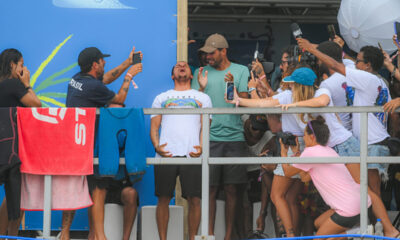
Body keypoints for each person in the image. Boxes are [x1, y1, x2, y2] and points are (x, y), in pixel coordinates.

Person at [297, 38, 392, 197]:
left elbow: (335, 64)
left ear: (368, 65)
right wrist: (321, 46)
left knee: (371, 192)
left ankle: (377, 222)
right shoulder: (380, 82)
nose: (355, 64)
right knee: (368, 191)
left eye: (359, 61)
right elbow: (340, 60)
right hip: (376, 140)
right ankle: (372, 222)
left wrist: (311, 49)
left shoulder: (366, 78)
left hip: (372, 143)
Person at [66, 46, 142, 240]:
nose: (105, 63)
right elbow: (119, 98)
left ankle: (73, 235)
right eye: (102, 61)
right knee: (98, 189)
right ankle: (100, 237)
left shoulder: (77, 80)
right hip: (90, 145)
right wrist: (129, 76)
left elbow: (104, 80)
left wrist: (126, 63)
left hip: (75, 143)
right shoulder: (92, 86)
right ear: (94, 64)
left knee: (79, 189)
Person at [191, 33, 249, 240]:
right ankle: (209, 235)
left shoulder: (241, 70)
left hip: (234, 136)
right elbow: (195, 104)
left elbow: (245, 100)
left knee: (232, 189)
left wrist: (232, 84)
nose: (208, 57)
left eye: (211, 52)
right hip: (209, 138)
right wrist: (201, 87)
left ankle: (229, 236)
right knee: (210, 189)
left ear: (223, 51)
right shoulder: (201, 72)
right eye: (205, 54)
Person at [150, 61, 212, 240]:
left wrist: (201, 147)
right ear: (172, 75)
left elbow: (205, 126)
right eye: (177, 66)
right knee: (163, 198)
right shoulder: (161, 97)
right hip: (166, 153)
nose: (182, 66)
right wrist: (157, 146)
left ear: (191, 75)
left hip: (192, 153)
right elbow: (154, 127)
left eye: (185, 66)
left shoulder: (203, 98)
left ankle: (192, 238)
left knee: (195, 199)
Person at [282, 116, 372, 236]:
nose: (303, 138)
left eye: (304, 135)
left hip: (349, 209)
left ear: (312, 137)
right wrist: (296, 156)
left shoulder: (310, 152)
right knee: (319, 223)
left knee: (320, 238)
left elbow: (287, 173)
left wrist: (283, 153)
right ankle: (354, 234)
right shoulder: (328, 150)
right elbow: (305, 178)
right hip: (362, 202)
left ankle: (356, 234)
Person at [0, 48, 41, 237]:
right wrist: (27, 84)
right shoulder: (13, 85)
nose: (24, 68)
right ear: (12, 65)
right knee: (15, 194)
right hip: (12, 148)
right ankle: (10, 234)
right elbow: (36, 104)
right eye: (21, 64)